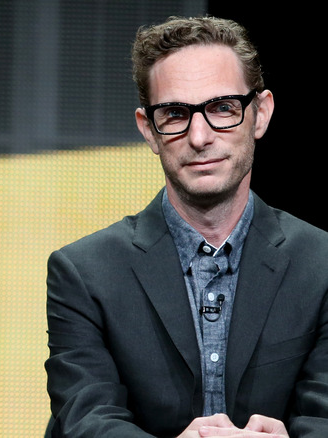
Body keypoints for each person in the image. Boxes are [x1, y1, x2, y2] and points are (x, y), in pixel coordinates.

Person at [45, 15, 328, 438]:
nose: (200, 136)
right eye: (175, 114)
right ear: (149, 130)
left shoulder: (322, 263)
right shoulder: (83, 272)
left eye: (222, 108)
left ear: (261, 114)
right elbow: (88, 422)